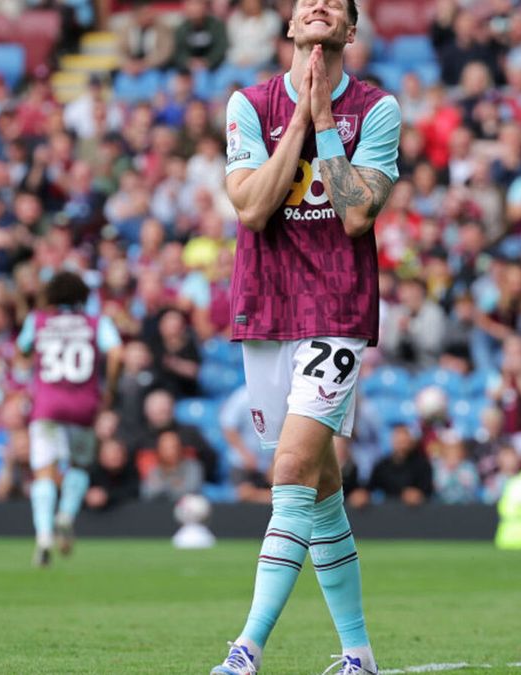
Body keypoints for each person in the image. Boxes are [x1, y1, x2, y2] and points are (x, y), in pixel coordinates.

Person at [213, 0, 400, 671]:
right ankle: (358, 653)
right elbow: (254, 205)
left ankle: (246, 647)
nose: (316, 3)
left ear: (349, 31)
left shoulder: (377, 110)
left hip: (337, 307)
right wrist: (299, 116)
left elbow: (354, 217)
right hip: (265, 305)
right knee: (318, 489)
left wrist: (324, 118)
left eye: (333, 1)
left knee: (289, 468)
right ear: (290, 27)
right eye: (304, 0)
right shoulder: (247, 105)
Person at [16, 271, 122, 567]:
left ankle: (44, 535)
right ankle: (66, 515)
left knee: (44, 472)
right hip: (83, 406)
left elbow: (22, 349)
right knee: (78, 465)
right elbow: (116, 353)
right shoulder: (96, 322)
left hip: (47, 406)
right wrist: (109, 389)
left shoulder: (37, 320)